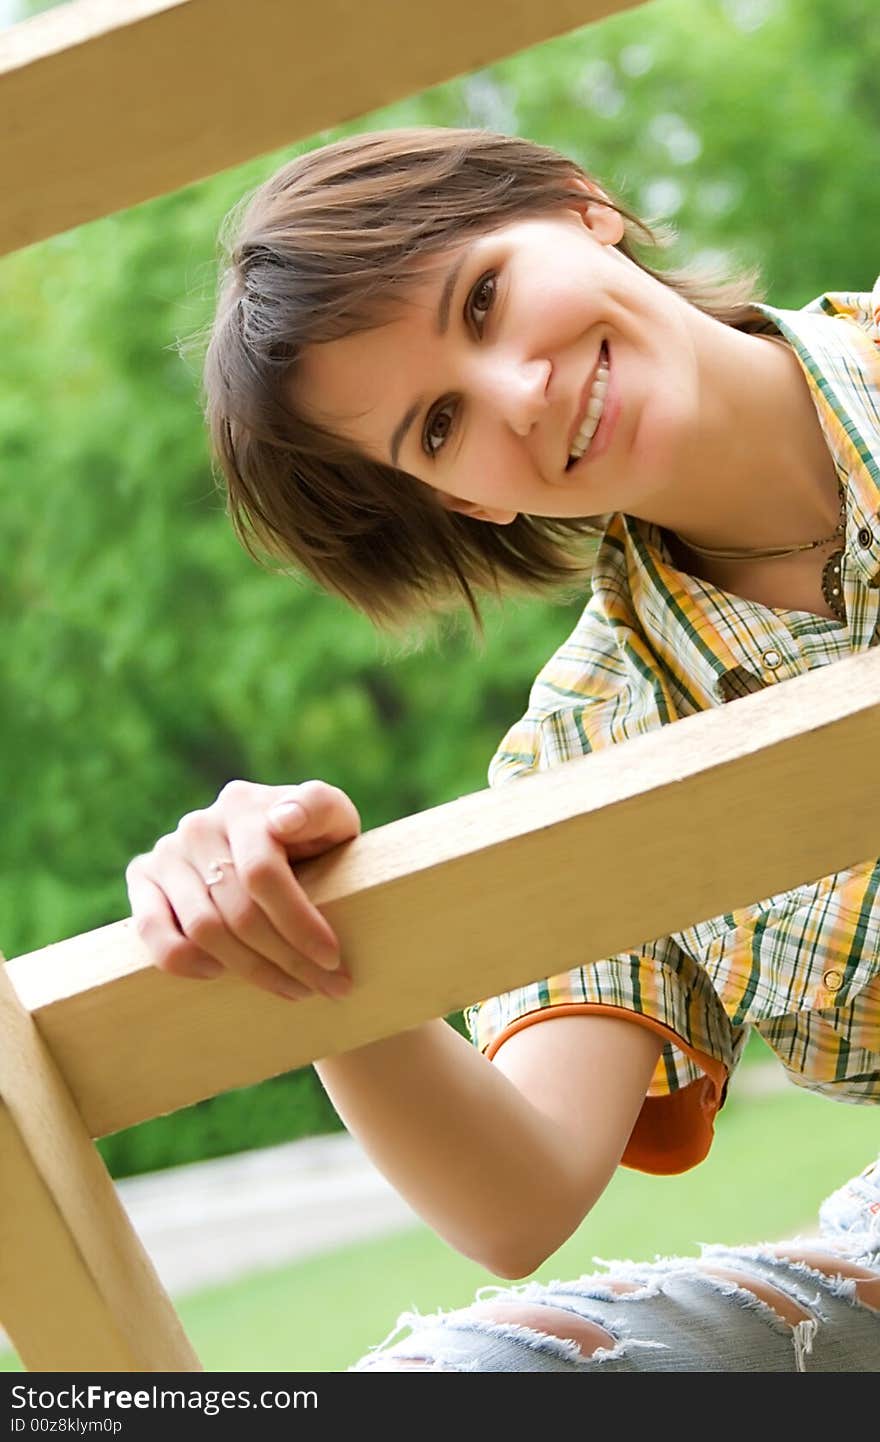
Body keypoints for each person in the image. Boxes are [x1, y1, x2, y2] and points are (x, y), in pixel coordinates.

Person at [125, 127, 880, 1370]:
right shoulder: (597, 742)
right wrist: (295, 919)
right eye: (438, 425)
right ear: (466, 498)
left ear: (579, 207)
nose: (520, 394)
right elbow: (516, 1194)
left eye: (481, 298)